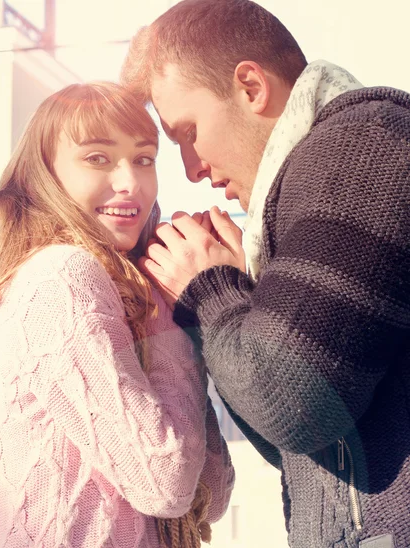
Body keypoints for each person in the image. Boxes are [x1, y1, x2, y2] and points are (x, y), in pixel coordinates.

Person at [120, 0, 410, 547]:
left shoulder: (362, 144)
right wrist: (239, 303)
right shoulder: (305, 190)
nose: (192, 169)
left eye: (187, 133)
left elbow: (297, 405)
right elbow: (299, 450)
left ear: (251, 87)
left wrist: (209, 289)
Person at [0, 82, 234, 547]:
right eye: (97, 158)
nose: (130, 182)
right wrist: (169, 312)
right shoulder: (59, 277)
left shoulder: (116, 291)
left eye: (144, 158)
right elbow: (166, 481)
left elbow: (212, 494)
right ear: (45, 175)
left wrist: (183, 313)